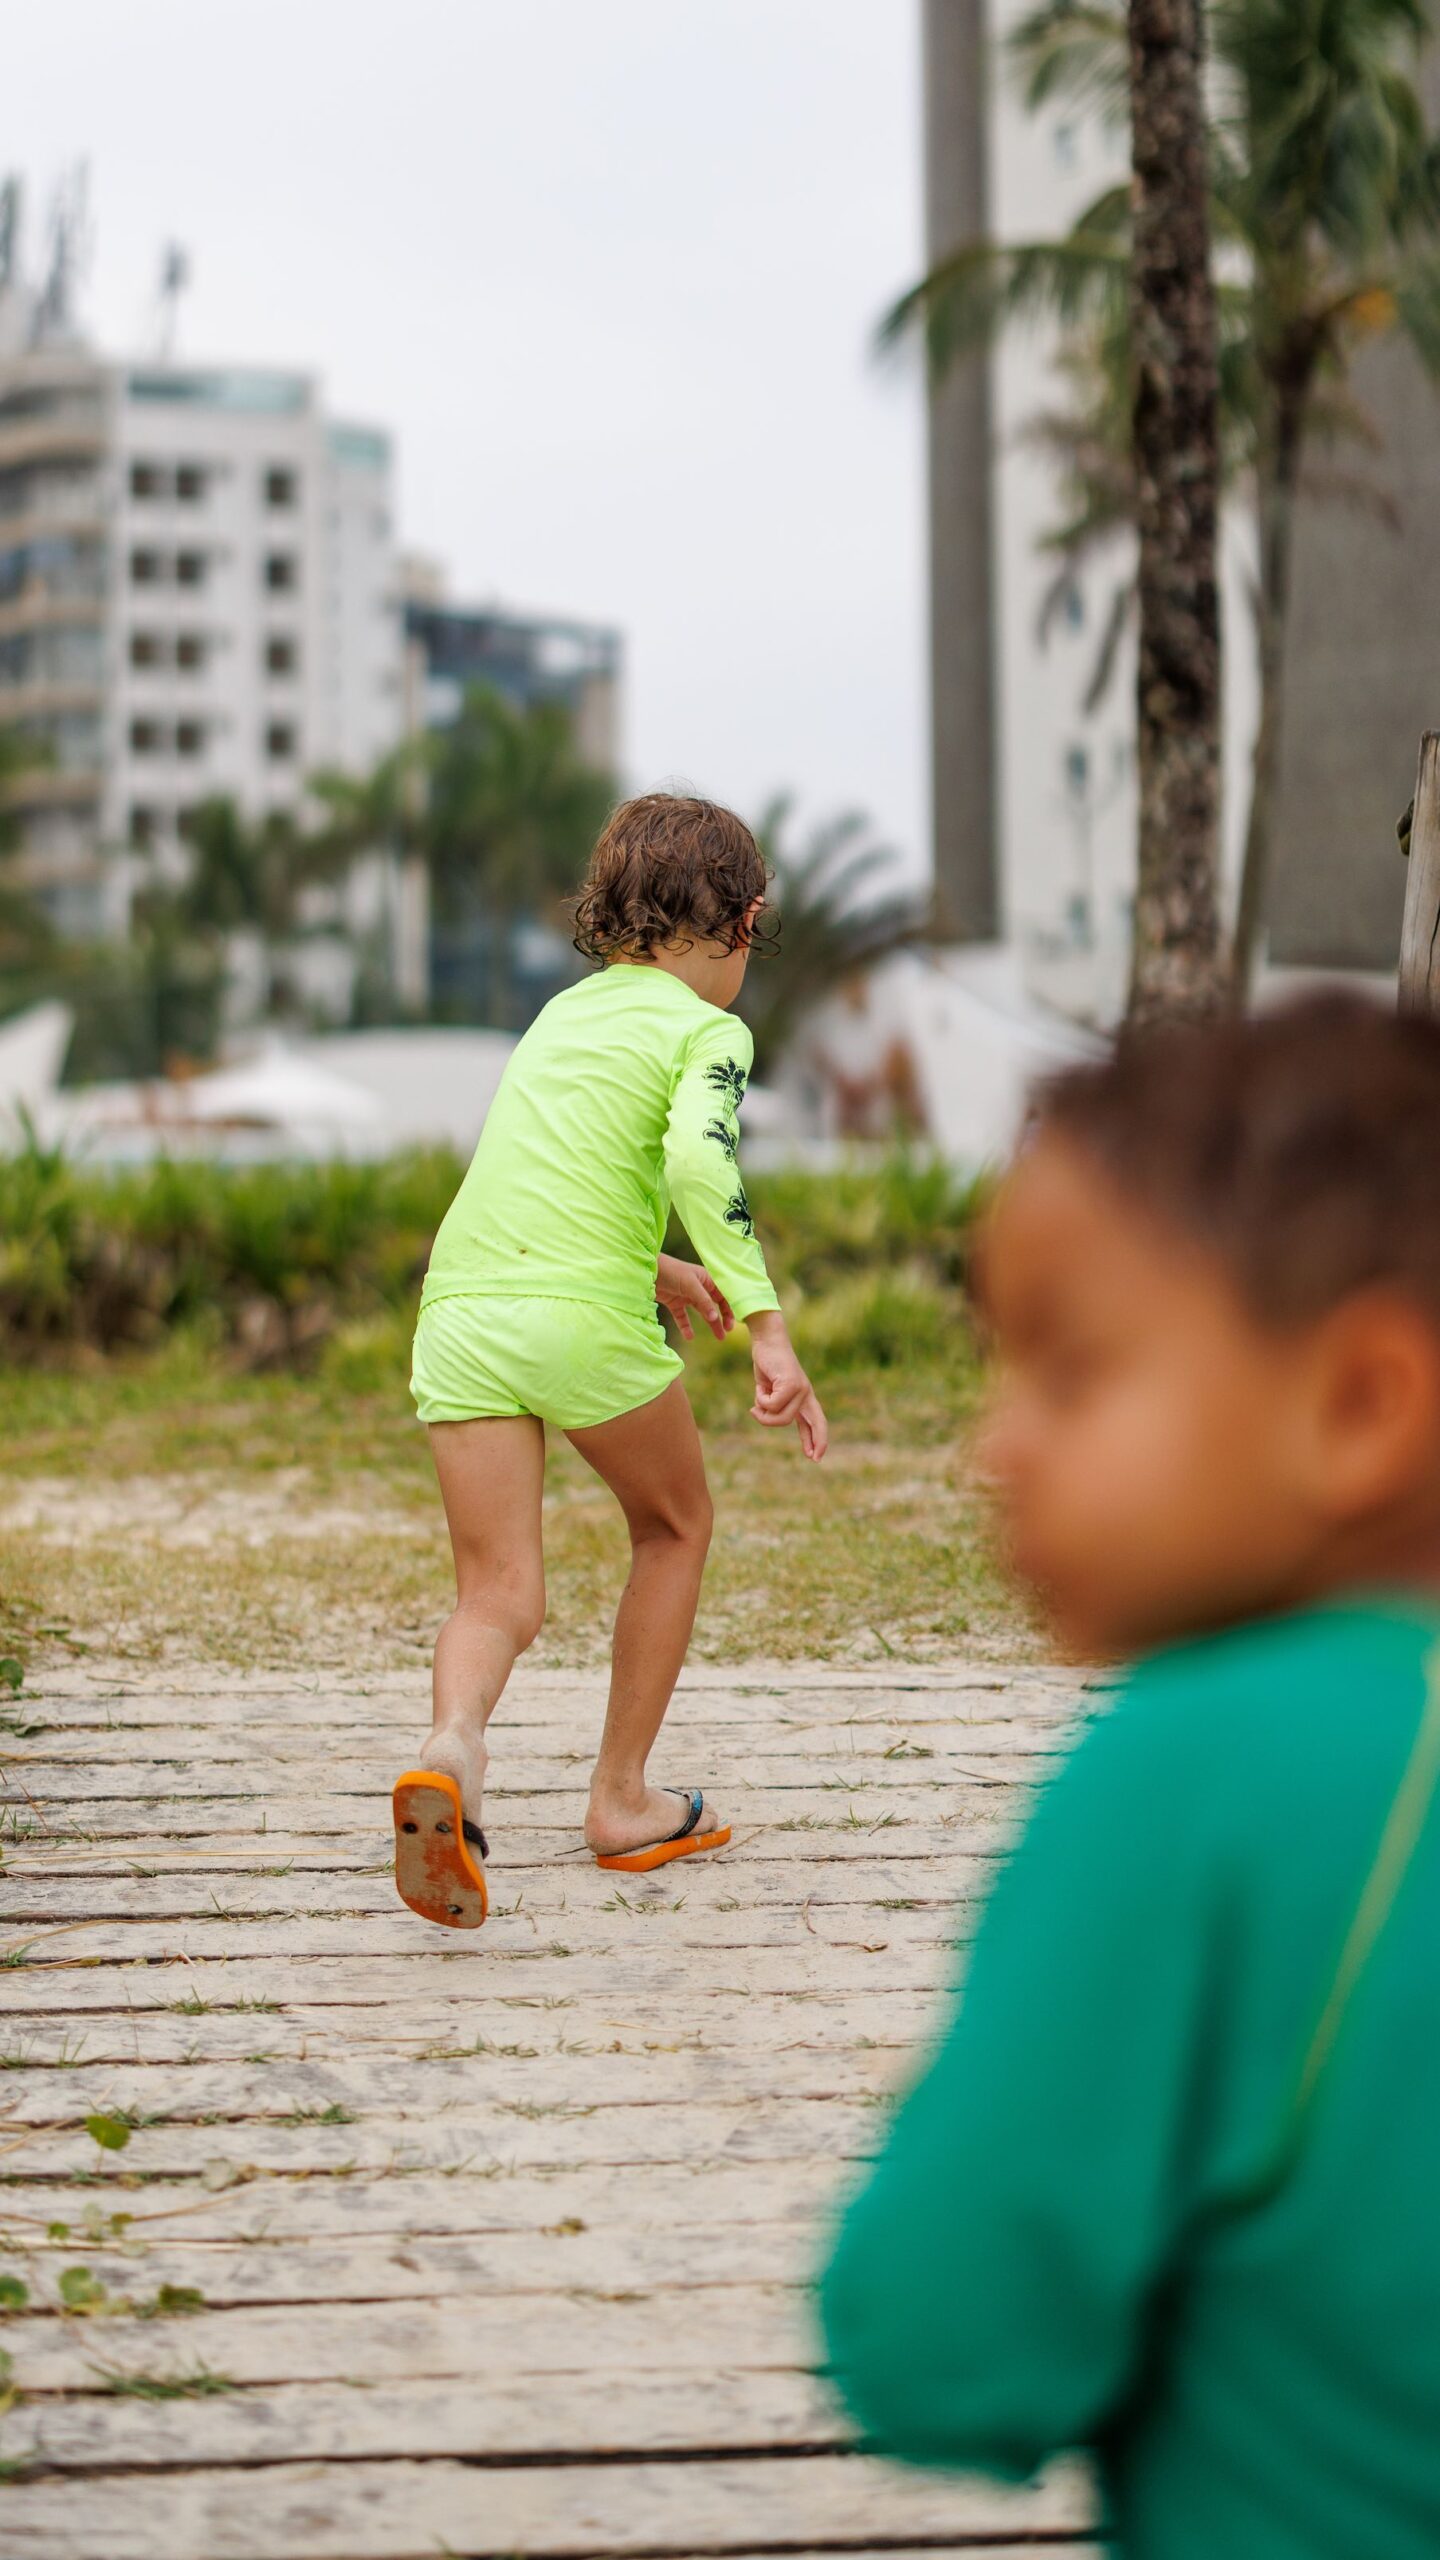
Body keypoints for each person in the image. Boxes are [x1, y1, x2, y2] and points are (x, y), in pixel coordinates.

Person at [820, 993, 1440, 2560]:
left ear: (1360, 1405)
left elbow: (942, 2348)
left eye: (1072, 1375)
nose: (996, 1448)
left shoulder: (1196, 1768)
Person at [393, 792, 827, 1930]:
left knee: (497, 1592)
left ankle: (452, 1747)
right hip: (578, 1317)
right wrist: (765, 1322)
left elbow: (554, 1175)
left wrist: (660, 1267)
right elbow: (698, 1164)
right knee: (674, 1525)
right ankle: (623, 1801)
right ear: (746, 922)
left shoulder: (560, 1015)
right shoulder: (708, 1031)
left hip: (464, 1305)